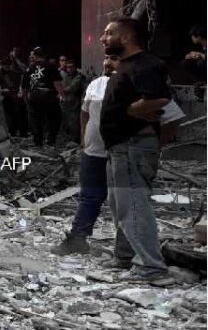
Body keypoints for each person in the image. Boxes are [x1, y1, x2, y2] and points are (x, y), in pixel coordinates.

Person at [52, 55, 186, 257]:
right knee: (89, 196)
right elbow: (84, 113)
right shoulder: (96, 84)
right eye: (105, 58)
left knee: (127, 203)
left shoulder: (141, 87)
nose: (107, 63)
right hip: (94, 152)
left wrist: (155, 146)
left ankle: (130, 253)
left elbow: (173, 118)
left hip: (125, 153)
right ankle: (78, 238)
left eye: (113, 58)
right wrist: (83, 138)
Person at [98, 17, 174, 284]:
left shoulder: (145, 64)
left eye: (108, 33)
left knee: (133, 205)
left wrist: (130, 110)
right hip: (121, 147)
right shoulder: (126, 66)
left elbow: (160, 97)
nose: (103, 38)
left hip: (132, 146)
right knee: (121, 205)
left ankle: (151, 268)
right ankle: (125, 257)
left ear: (127, 37)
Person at [24, 47, 65, 147]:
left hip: (33, 97)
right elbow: (57, 83)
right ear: (44, 55)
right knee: (54, 118)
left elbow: (25, 86)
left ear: (35, 55)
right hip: (49, 97)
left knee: (35, 120)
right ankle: (50, 140)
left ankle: (38, 142)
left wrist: (26, 98)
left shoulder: (30, 67)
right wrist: (62, 94)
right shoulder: (51, 66)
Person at [59, 55, 88, 144]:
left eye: (71, 67)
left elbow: (72, 88)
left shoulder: (78, 76)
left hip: (74, 104)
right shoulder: (64, 75)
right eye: (68, 67)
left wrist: (60, 91)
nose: (69, 69)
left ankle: (74, 141)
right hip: (64, 103)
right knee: (64, 123)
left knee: (74, 124)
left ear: (75, 67)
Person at [0, 58, 29, 138]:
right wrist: (2, 89)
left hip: (13, 95)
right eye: (5, 66)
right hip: (4, 96)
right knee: (12, 115)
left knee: (18, 113)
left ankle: (17, 132)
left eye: (8, 66)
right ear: (2, 65)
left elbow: (17, 80)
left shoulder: (12, 72)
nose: (7, 67)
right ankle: (13, 132)